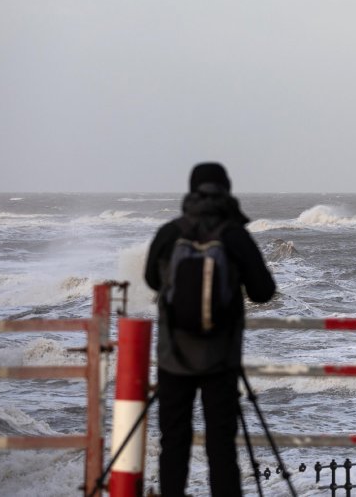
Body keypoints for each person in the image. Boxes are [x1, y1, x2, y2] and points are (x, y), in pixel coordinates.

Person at [145, 163, 277, 496]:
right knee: (221, 445)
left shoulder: (170, 232)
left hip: (173, 355)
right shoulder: (234, 235)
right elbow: (263, 290)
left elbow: (150, 278)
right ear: (226, 189)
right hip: (221, 358)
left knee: (173, 440)